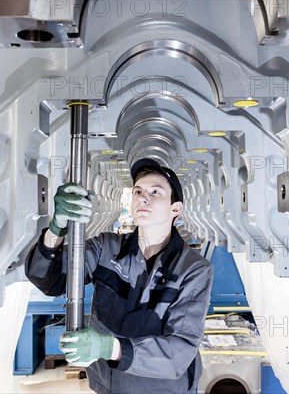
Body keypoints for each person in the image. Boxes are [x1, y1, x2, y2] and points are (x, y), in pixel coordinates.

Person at [25, 158, 213, 394]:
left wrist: (109, 347)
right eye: (138, 191)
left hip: (163, 389)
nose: (143, 197)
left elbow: (179, 352)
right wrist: (57, 228)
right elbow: (51, 281)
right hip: (107, 384)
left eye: (156, 192)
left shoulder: (193, 269)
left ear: (175, 209)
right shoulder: (106, 248)